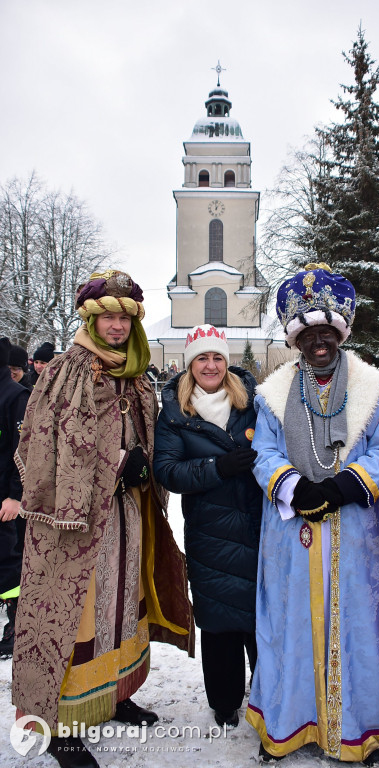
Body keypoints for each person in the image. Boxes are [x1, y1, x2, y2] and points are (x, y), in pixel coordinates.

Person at [12, 269, 194, 768]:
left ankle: (114, 694)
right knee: (77, 615)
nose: (116, 326)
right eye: (107, 317)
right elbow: (48, 443)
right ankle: (60, 721)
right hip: (74, 523)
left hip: (128, 512)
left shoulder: (134, 373)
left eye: (123, 318)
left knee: (123, 600)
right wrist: (117, 463)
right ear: (92, 320)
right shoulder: (67, 369)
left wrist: (143, 461)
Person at [246, 264, 379, 764]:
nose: (319, 342)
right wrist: (294, 486)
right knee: (288, 628)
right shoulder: (272, 394)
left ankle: (363, 733)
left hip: (356, 531)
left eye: (327, 332)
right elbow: (264, 453)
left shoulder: (373, 389)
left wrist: (342, 487)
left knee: (359, 631)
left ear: (340, 334)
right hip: (294, 534)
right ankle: (286, 726)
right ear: (297, 340)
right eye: (309, 333)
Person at [153, 324, 262, 729]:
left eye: (217, 357)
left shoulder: (252, 402)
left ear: (227, 361)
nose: (211, 365)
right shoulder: (175, 415)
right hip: (211, 531)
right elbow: (167, 470)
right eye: (202, 358)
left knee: (261, 618)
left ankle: (269, 696)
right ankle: (225, 701)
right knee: (219, 620)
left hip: (258, 525)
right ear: (189, 364)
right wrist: (216, 467)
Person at [0, 338, 30, 657]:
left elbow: (22, 452)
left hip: (6, 502)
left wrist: (14, 496)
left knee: (9, 566)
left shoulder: (16, 396)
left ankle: (17, 624)